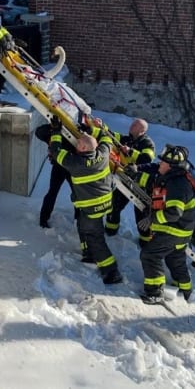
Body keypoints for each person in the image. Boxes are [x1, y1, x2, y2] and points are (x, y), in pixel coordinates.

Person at [49, 121, 122, 284]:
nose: (76, 146)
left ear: (83, 148)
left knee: (96, 238)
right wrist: (91, 130)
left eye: (78, 144)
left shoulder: (76, 163)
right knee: (83, 226)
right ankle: (88, 253)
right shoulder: (103, 154)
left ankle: (111, 271)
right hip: (104, 204)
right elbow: (107, 139)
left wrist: (55, 132)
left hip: (91, 208)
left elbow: (56, 151)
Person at [132, 151, 195, 268]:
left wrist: (138, 173)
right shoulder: (176, 166)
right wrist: (138, 168)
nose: (160, 163)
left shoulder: (180, 175)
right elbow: (156, 168)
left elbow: (161, 180)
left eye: (164, 161)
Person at [132, 145, 195, 303]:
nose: (159, 163)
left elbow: (174, 213)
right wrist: (135, 175)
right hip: (181, 231)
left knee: (150, 255)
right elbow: (154, 183)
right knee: (175, 260)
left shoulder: (178, 185)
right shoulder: (171, 178)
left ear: (172, 166)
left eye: (163, 162)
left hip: (175, 231)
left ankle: (155, 292)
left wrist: (151, 219)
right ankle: (186, 291)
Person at [104, 118, 156, 238]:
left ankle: (145, 240)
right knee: (114, 204)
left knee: (141, 213)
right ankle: (110, 231)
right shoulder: (128, 139)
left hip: (140, 184)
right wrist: (102, 126)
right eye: (133, 124)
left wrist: (131, 151)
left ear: (142, 131)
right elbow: (112, 135)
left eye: (135, 125)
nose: (131, 126)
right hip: (125, 180)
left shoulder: (147, 143)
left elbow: (147, 159)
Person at [34, 119, 78, 230]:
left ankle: (79, 220)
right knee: (52, 192)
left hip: (72, 167)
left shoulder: (74, 131)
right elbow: (39, 132)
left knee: (77, 194)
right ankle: (43, 220)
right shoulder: (52, 132)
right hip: (59, 167)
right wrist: (53, 128)